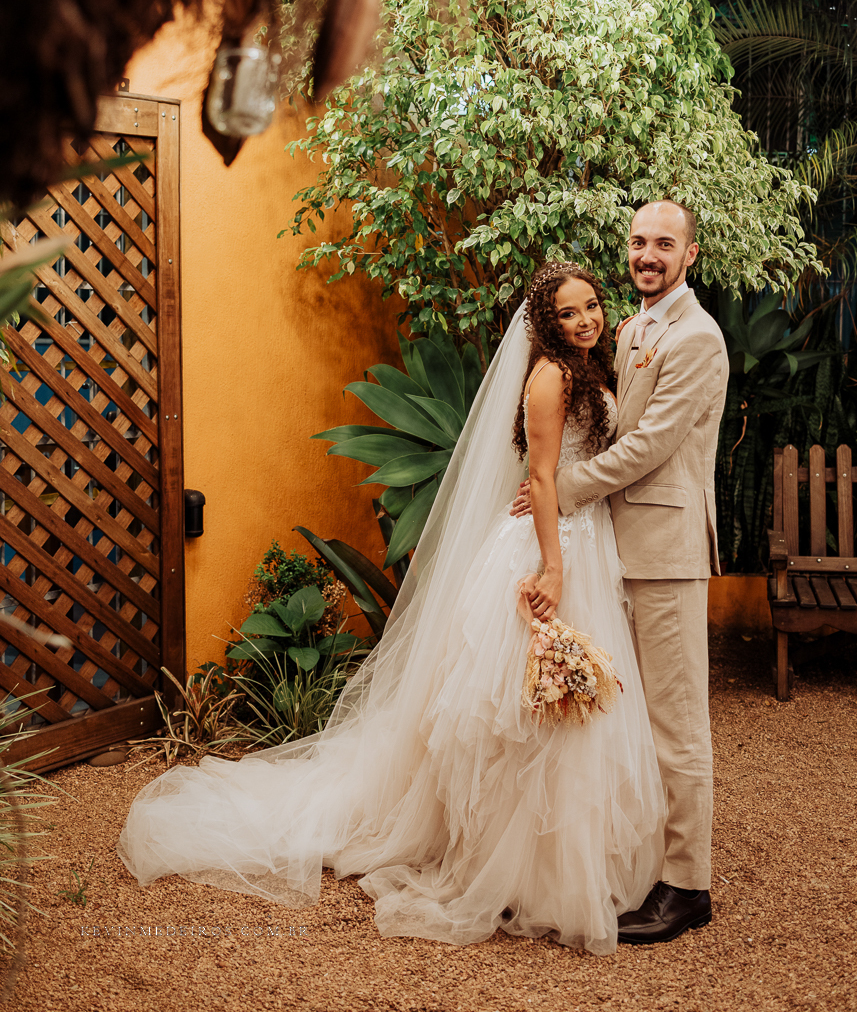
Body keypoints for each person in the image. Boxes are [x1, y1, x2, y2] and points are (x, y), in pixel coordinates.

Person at [118, 264, 665, 955]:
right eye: (566, 313)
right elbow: (541, 477)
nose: (584, 320)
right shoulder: (551, 378)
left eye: (590, 306)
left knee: (571, 710)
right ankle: (524, 868)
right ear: (544, 323)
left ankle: (568, 857)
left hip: (586, 537)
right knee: (522, 712)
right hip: (549, 549)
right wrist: (552, 570)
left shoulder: (591, 367)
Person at [513, 200, 729, 945]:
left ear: (689, 255)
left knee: (674, 723)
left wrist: (562, 488)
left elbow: (647, 449)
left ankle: (686, 886)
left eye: (663, 244)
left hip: (663, 551)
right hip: (612, 546)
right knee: (625, 718)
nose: (647, 254)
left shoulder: (696, 338)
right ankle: (639, 861)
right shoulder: (633, 328)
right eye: (638, 241)